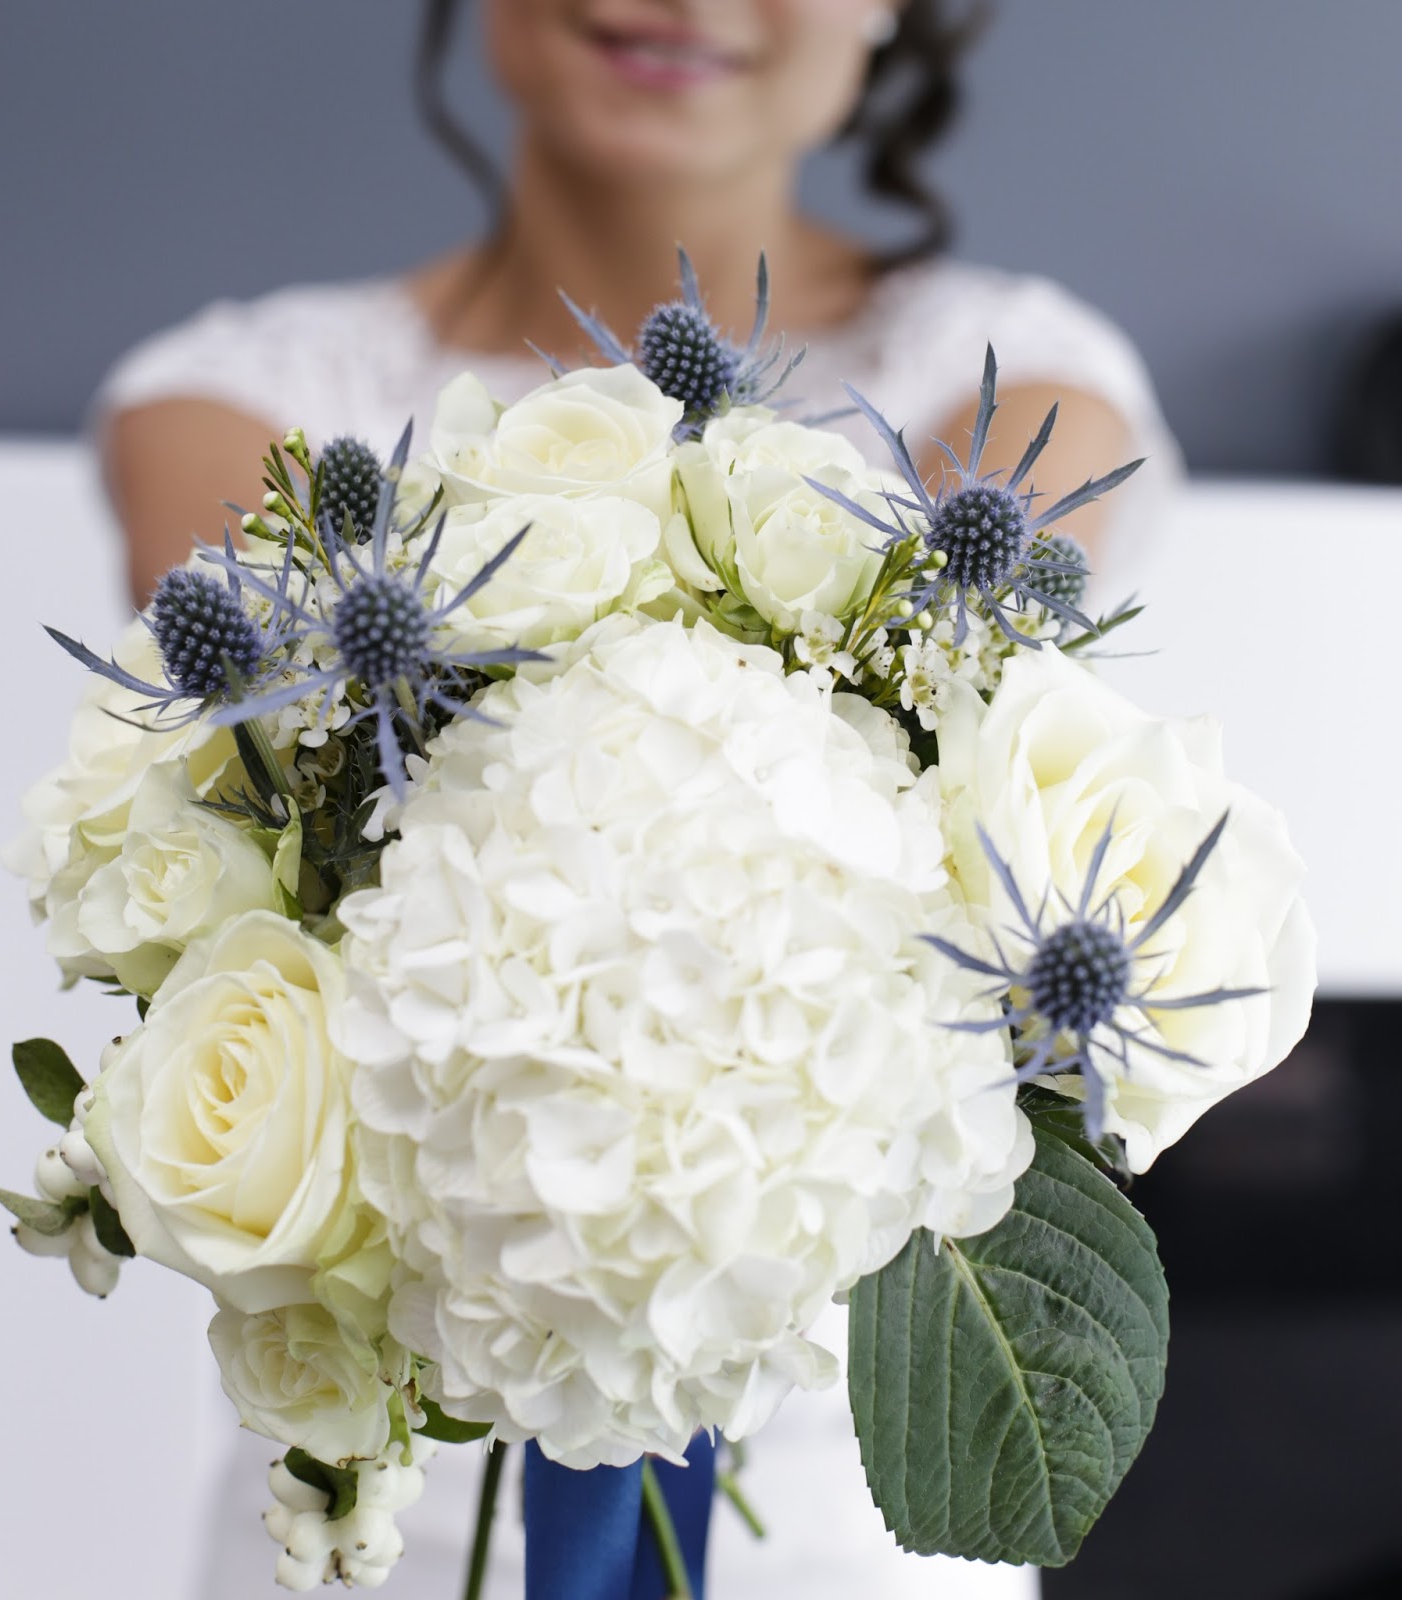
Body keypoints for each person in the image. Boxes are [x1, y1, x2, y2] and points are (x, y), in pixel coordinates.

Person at [94, 4, 1182, 1596]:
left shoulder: (1025, 378)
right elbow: (267, 696)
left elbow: (942, 609)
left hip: (827, 1485)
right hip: (380, 1496)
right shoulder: (220, 403)